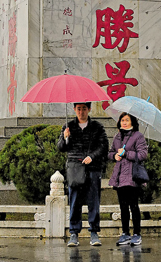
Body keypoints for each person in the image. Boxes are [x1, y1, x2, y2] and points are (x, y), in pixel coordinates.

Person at [57, 102, 108, 247]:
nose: (81, 112)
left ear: (89, 109)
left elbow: (104, 146)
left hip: (93, 168)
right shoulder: (68, 126)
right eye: (78, 109)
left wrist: (92, 156)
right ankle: (74, 233)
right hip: (75, 168)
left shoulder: (97, 127)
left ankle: (94, 232)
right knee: (75, 200)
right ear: (74, 109)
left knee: (94, 201)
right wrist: (65, 137)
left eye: (84, 109)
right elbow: (61, 148)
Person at [108, 112, 148, 246]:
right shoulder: (117, 137)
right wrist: (115, 156)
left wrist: (126, 153)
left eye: (127, 120)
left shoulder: (138, 136)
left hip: (132, 176)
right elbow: (110, 152)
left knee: (133, 205)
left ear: (132, 122)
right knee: (123, 206)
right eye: (122, 120)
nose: (124, 122)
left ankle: (137, 233)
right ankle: (125, 233)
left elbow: (142, 154)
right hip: (120, 176)